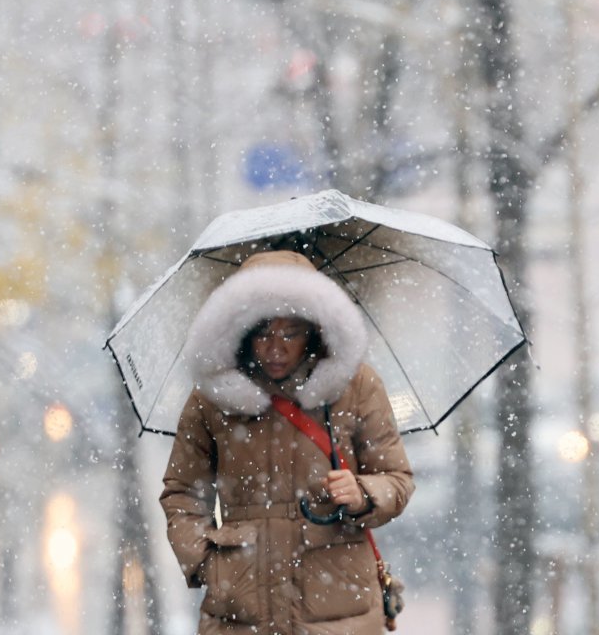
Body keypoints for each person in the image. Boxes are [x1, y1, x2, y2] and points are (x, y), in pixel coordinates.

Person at [161, 250, 414, 635]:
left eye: (290, 333)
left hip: (339, 612)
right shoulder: (211, 398)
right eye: (263, 331)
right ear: (242, 330)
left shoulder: (356, 386)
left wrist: (363, 492)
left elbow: (397, 478)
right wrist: (206, 562)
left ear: (313, 329)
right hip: (241, 612)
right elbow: (182, 493)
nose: (275, 348)